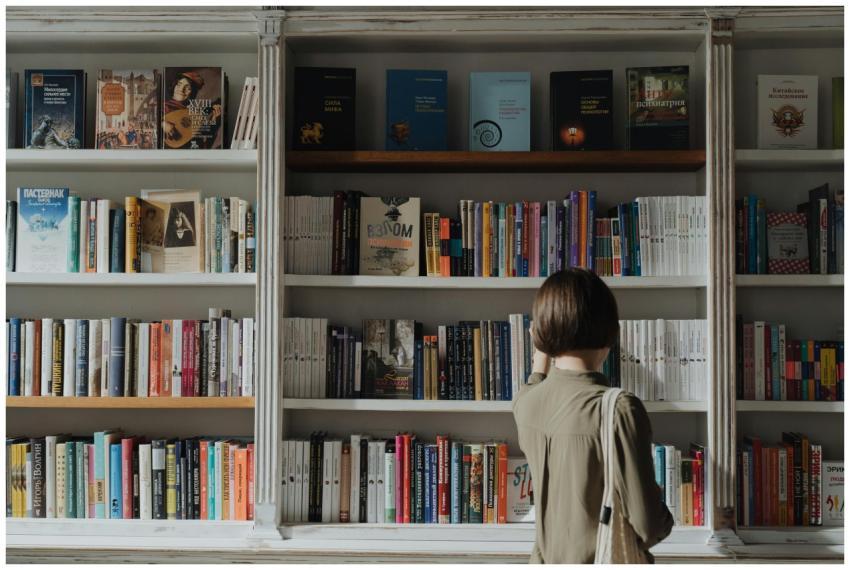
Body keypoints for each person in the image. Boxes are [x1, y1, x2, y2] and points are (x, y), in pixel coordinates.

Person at [513, 268, 673, 564]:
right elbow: (648, 527)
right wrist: (664, 514)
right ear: (610, 329)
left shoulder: (526, 405)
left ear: (540, 333)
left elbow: (532, 384)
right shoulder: (619, 409)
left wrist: (541, 352)